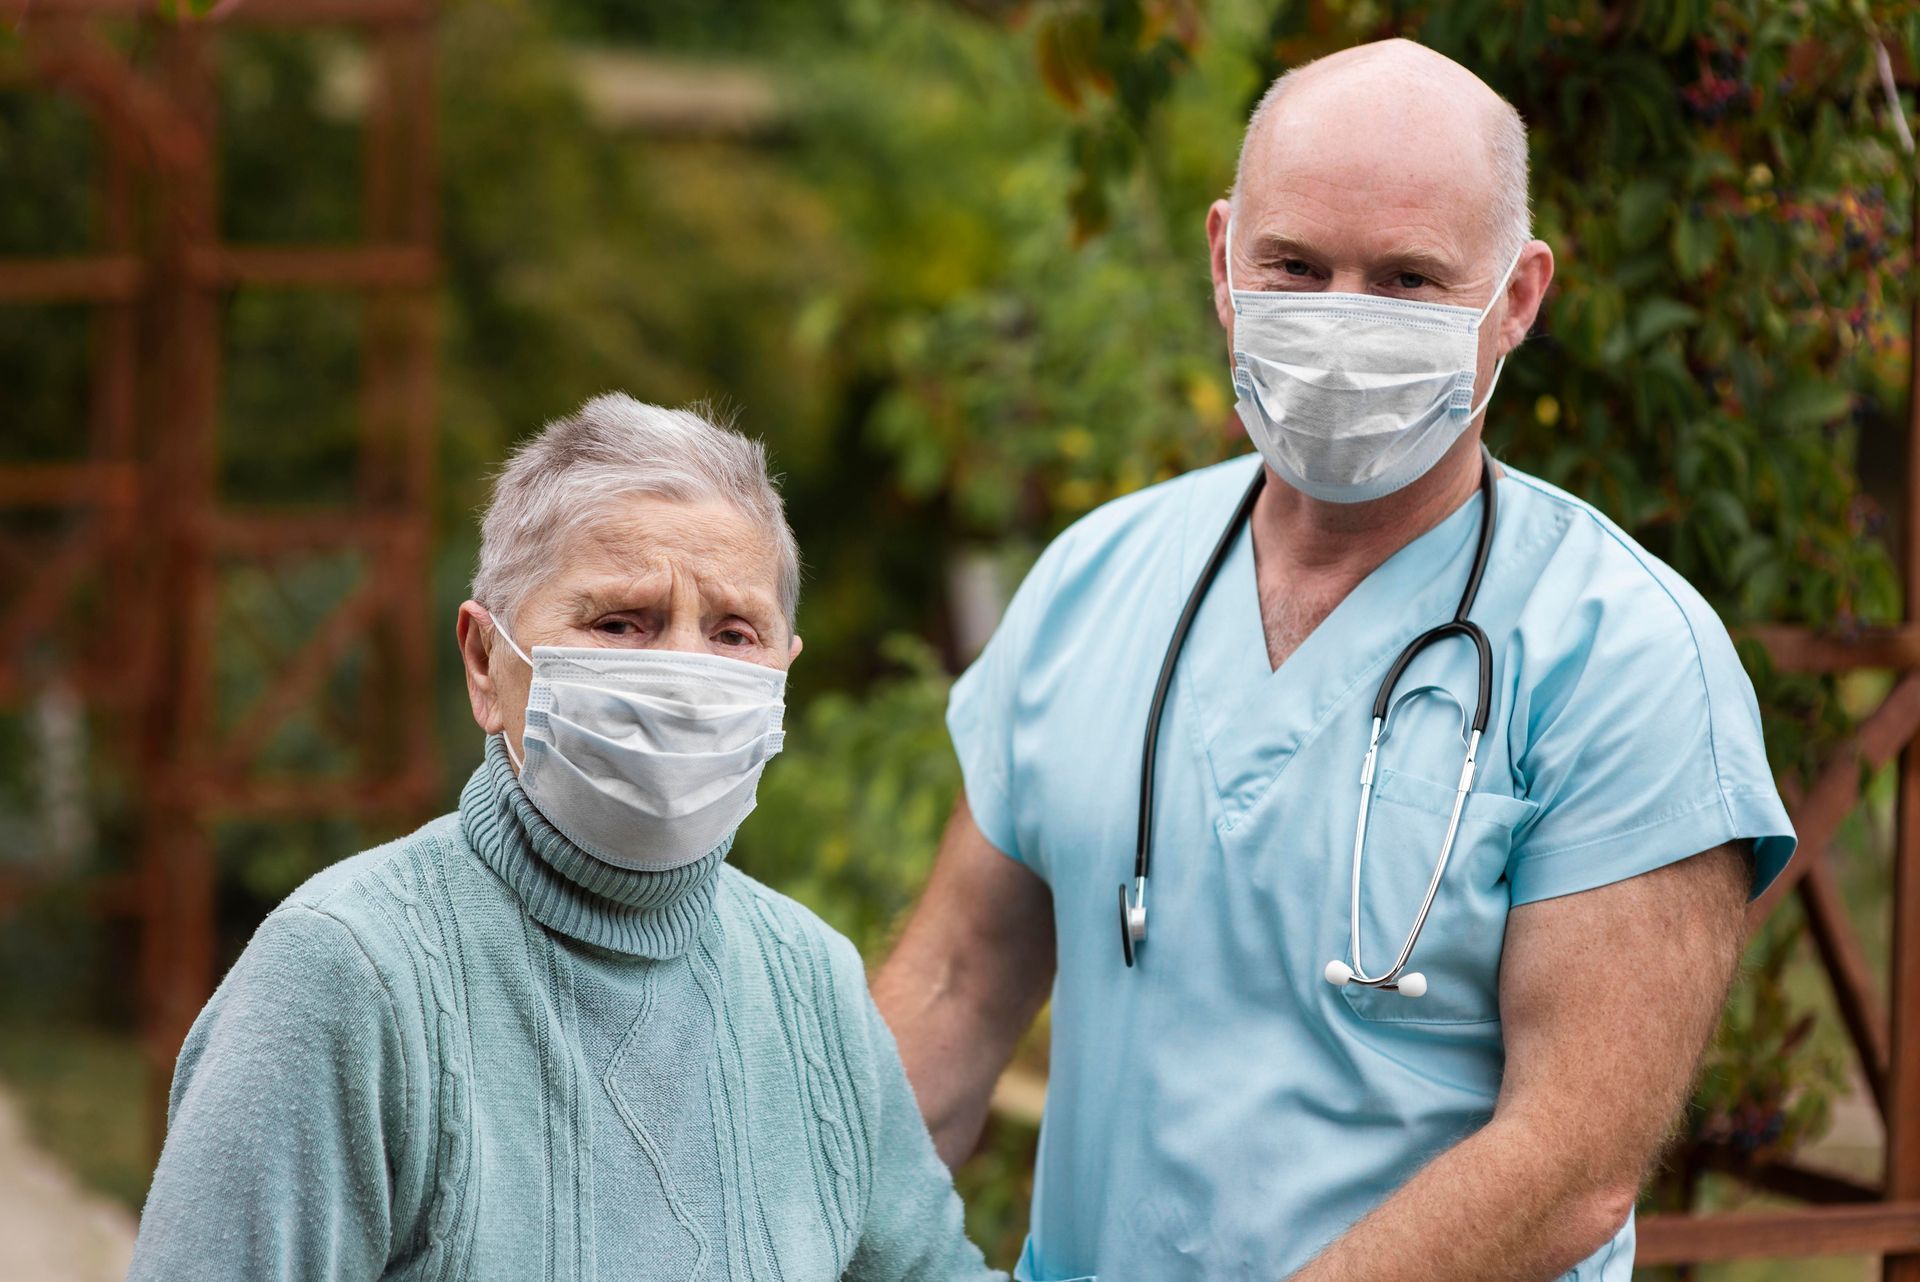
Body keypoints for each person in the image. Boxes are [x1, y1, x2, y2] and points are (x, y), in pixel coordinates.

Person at [874, 38, 1795, 1282]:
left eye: (1408, 281)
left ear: (1517, 299)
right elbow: (958, 983)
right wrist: (796, 1223)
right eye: (1295, 268)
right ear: (1222, 262)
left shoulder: (1625, 660)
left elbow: (1572, 1163)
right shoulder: (1099, 579)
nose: (1341, 323)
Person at [129, 394, 1002, 1282]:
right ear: (485, 663)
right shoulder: (350, 976)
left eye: (734, 633)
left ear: (785, 670)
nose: (683, 675)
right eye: (622, 623)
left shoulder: (810, 985)